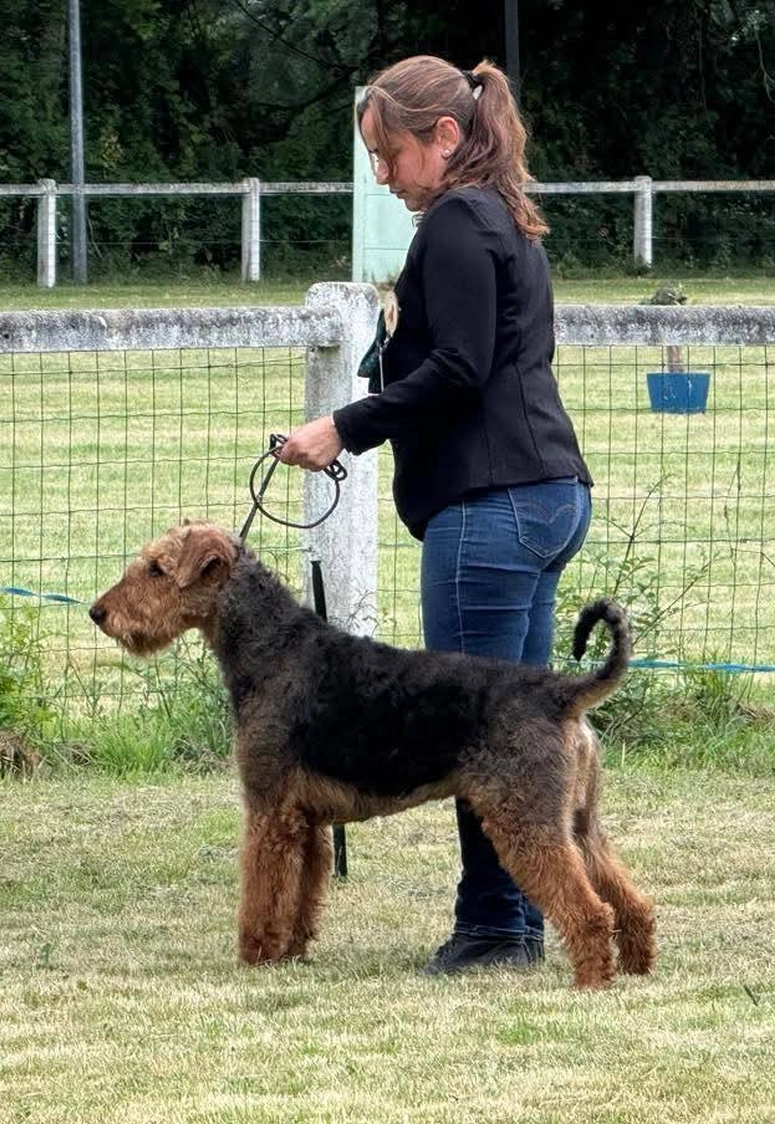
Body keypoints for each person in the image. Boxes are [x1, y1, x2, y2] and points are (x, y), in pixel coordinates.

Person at [278, 57, 592, 974]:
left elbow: (457, 369)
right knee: (526, 732)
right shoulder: (506, 217)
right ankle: (526, 920)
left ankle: (497, 927)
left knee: (480, 733)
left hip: (487, 508)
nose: (382, 174)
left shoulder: (456, 221)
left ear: (444, 137)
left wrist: (344, 426)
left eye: (390, 152)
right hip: (548, 493)